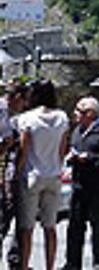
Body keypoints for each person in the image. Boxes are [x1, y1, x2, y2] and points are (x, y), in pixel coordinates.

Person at [16, 80, 68, 270]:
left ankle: (24, 265)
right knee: (50, 227)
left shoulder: (27, 118)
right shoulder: (62, 117)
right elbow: (62, 149)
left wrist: (18, 172)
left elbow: (24, 148)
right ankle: (50, 266)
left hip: (32, 175)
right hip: (53, 175)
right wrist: (57, 166)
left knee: (27, 228)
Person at [62, 97, 99, 270]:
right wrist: (72, 158)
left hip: (97, 187)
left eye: (79, 111)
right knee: (75, 226)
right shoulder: (78, 131)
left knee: (97, 226)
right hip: (78, 185)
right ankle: (72, 263)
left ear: (91, 113)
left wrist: (90, 158)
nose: (75, 114)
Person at [0, 83, 27, 270]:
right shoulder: (3, 110)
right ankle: (15, 261)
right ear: (16, 97)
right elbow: (7, 140)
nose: (24, 105)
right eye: (23, 100)